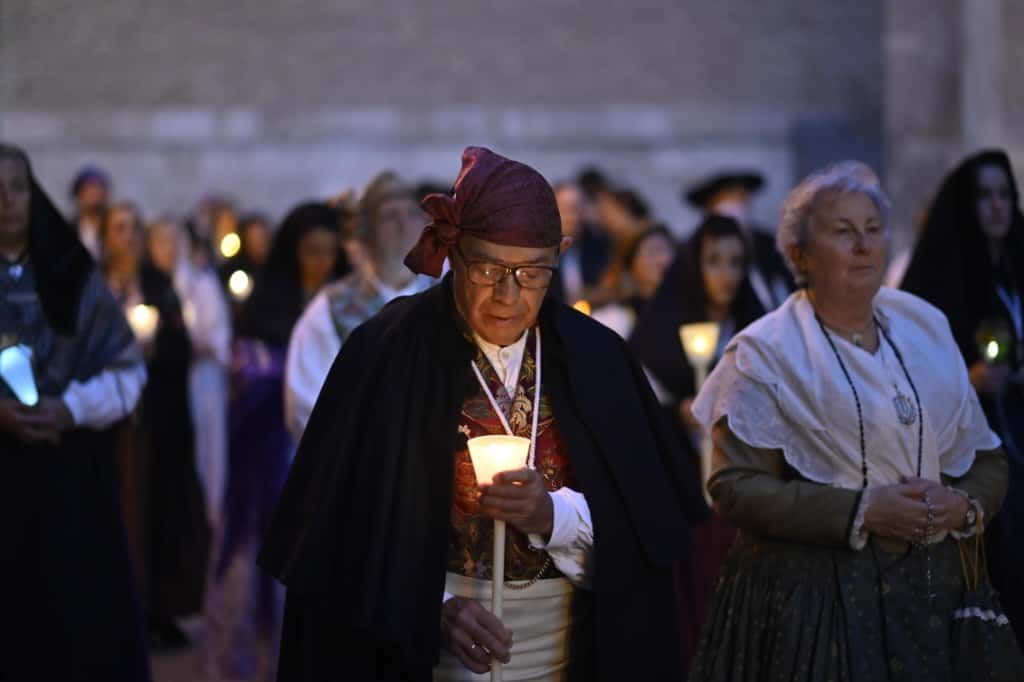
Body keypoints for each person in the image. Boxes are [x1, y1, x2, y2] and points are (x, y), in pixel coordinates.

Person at [259, 146, 707, 681]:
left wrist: (554, 517)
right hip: (421, 654)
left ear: (559, 256)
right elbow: (339, 526)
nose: (507, 295)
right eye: (489, 267)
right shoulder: (386, 350)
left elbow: (649, 526)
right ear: (454, 253)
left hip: (566, 653)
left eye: (532, 272)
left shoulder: (598, 357)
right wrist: (432, 605)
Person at [689, 162, 1022, 680]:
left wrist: (961, 503)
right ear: (800, 253)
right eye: (843, 231)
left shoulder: (925, 328)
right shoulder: (764, 351)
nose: (864, 246)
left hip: (932, 592)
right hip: (815, 602)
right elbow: (734, 487)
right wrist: (861, 510)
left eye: (873, 229)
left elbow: (988, 458)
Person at [0, 143, 150, 678]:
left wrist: (70, 408)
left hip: (71, 477)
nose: (6, 201)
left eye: (17, 188)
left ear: (34, 195)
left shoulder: (74, 275)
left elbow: (128, 373)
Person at [204, 201, 344, 681]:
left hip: (336, 466)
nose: (321, 262)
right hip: (273, 461)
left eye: (330, 251)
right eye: (311, 251)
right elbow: (248, 381)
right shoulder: (267, 308)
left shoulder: (349, 306)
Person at [627, 214, 764, 666]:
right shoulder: (659, 332)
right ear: (694, 266)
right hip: (685, 494)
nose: (726, 274)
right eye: (714, 261)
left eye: (736, 262)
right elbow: (638, 414)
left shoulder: (758, 331)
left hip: (745, 493)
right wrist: (676, 413)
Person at [901, 149, 1024, 647]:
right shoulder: (941, 280)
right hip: (971, 457)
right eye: (984, 196)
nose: (996, 206)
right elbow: (908, 372)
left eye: (1005, 194)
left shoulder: (1013, 268)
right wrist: (967, 380)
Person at [101, 202, 211, 649]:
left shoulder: (159, 285)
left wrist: (153, 350)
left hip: (158, 422)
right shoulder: (93, 287)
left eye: (134, 228)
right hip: (109, 425)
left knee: (159, 512)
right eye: (119, 228)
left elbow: (181, 345)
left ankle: (159, 609)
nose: (128, 237)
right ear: (106, 237)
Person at [284, 172, 434, 439]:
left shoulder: (449, 296)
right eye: (390, 215)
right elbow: (307, 405)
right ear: (365, 232)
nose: (403, 225)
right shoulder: (331, 310)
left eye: (412, 214)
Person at [147, 217, 232, 528]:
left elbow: (219, 334)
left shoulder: (200, 283)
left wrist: (200, 344)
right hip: (165, 384)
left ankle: (209, 515)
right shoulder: (149, 287)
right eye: (161, 241)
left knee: (208, 449)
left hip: (201, 377)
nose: (168, 248)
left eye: (174, 240)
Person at [684, 170, 793, 309]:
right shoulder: (694, 247)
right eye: (727, 198)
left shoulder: (767, 243)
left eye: (741, 198)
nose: (736, 205)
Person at [589, 224, 675, 339]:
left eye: (666, 250)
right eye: (652, 252)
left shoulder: (683, 307)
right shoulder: (615, 319)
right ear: (631, 265)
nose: (663, 260)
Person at [547, 181, 610, 306]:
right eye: (565, 209)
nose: (572, 217)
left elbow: (609, 286)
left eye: (576, 209)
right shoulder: (542, 248)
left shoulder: (598, 243)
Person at [68, 164, 111, 260]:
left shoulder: (114, 228)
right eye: (89, 188)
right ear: (79, 194)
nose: (95, 193)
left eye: (99, 188)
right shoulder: (70, 228)